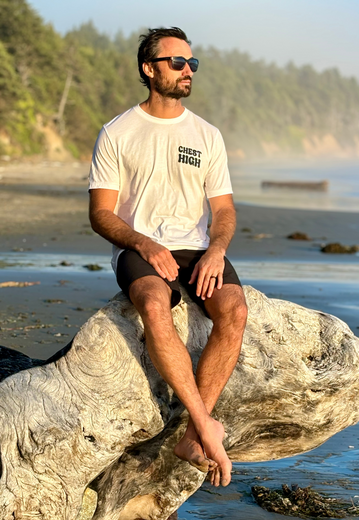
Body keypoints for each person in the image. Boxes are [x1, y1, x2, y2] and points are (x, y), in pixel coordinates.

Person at [88, 27, 247, 488]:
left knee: (234, 311)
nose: (187, 71)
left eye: (192, 64)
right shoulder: (118, 132)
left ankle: (196, 433)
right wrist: (143, 243)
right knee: (156, 305)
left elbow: (223, 210)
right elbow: (101, 213)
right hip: (139, 246)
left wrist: (217, 250)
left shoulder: (206, 134)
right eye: (177, 62)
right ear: (149, 68)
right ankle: (204, 429)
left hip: (197, 246)